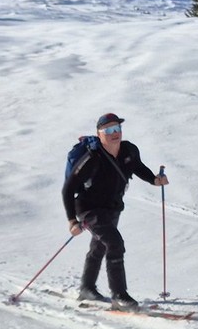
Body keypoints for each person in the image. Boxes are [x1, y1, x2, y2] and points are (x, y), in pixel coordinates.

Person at [62, 112, 169, 310]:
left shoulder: (129, 150)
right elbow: (68, 189)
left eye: (117, 128)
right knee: (114, 243)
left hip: (113, 208)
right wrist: (71, 221)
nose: (114, 133)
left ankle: (86, 287)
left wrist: (155, 180)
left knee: (99, 246)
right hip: (89, 209)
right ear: (99, 134)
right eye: (108, 130)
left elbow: (138, 167)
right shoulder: (91, 158)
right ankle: (119, 295)